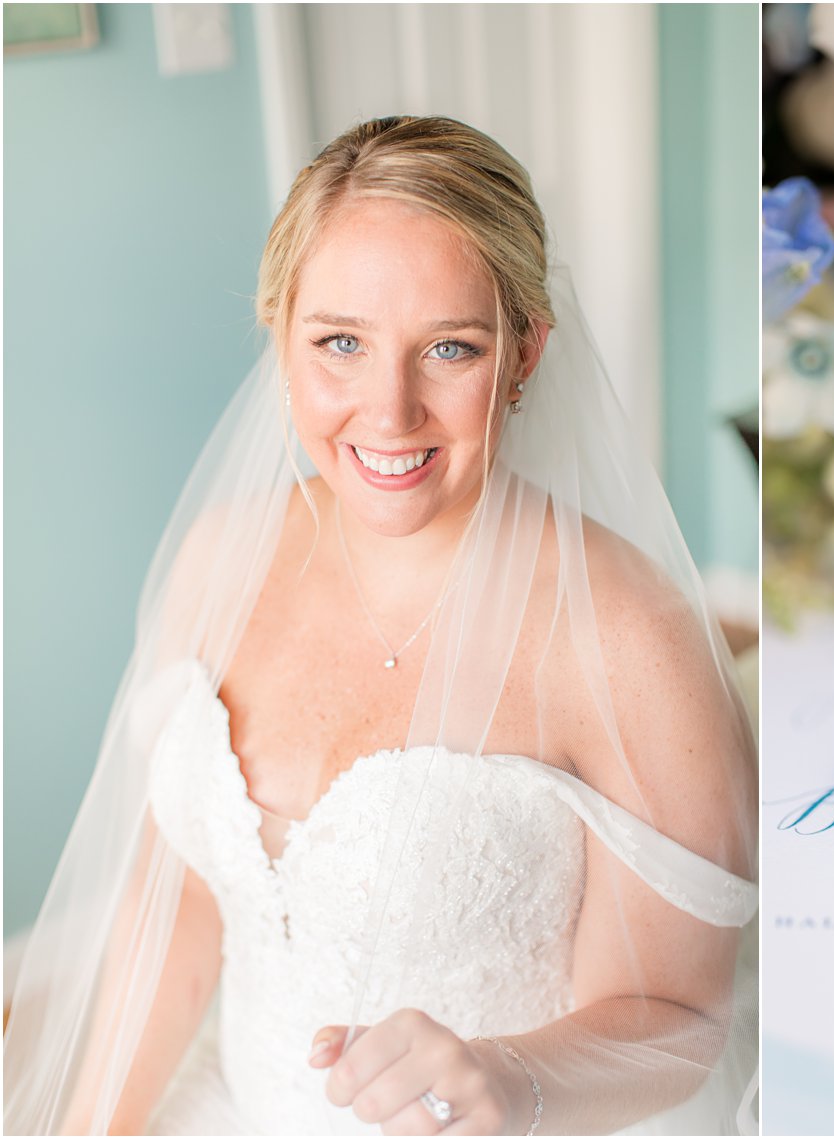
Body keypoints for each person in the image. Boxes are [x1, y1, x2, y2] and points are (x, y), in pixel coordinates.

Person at [3, 116, 758, 1136]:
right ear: (279, 333)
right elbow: (178, 901)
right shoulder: (221, 553)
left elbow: (677, 1018)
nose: (389, 410)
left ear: (525, 352)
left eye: (450, 347)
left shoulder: (631, 636)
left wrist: (508, 1077)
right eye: (340, 343)